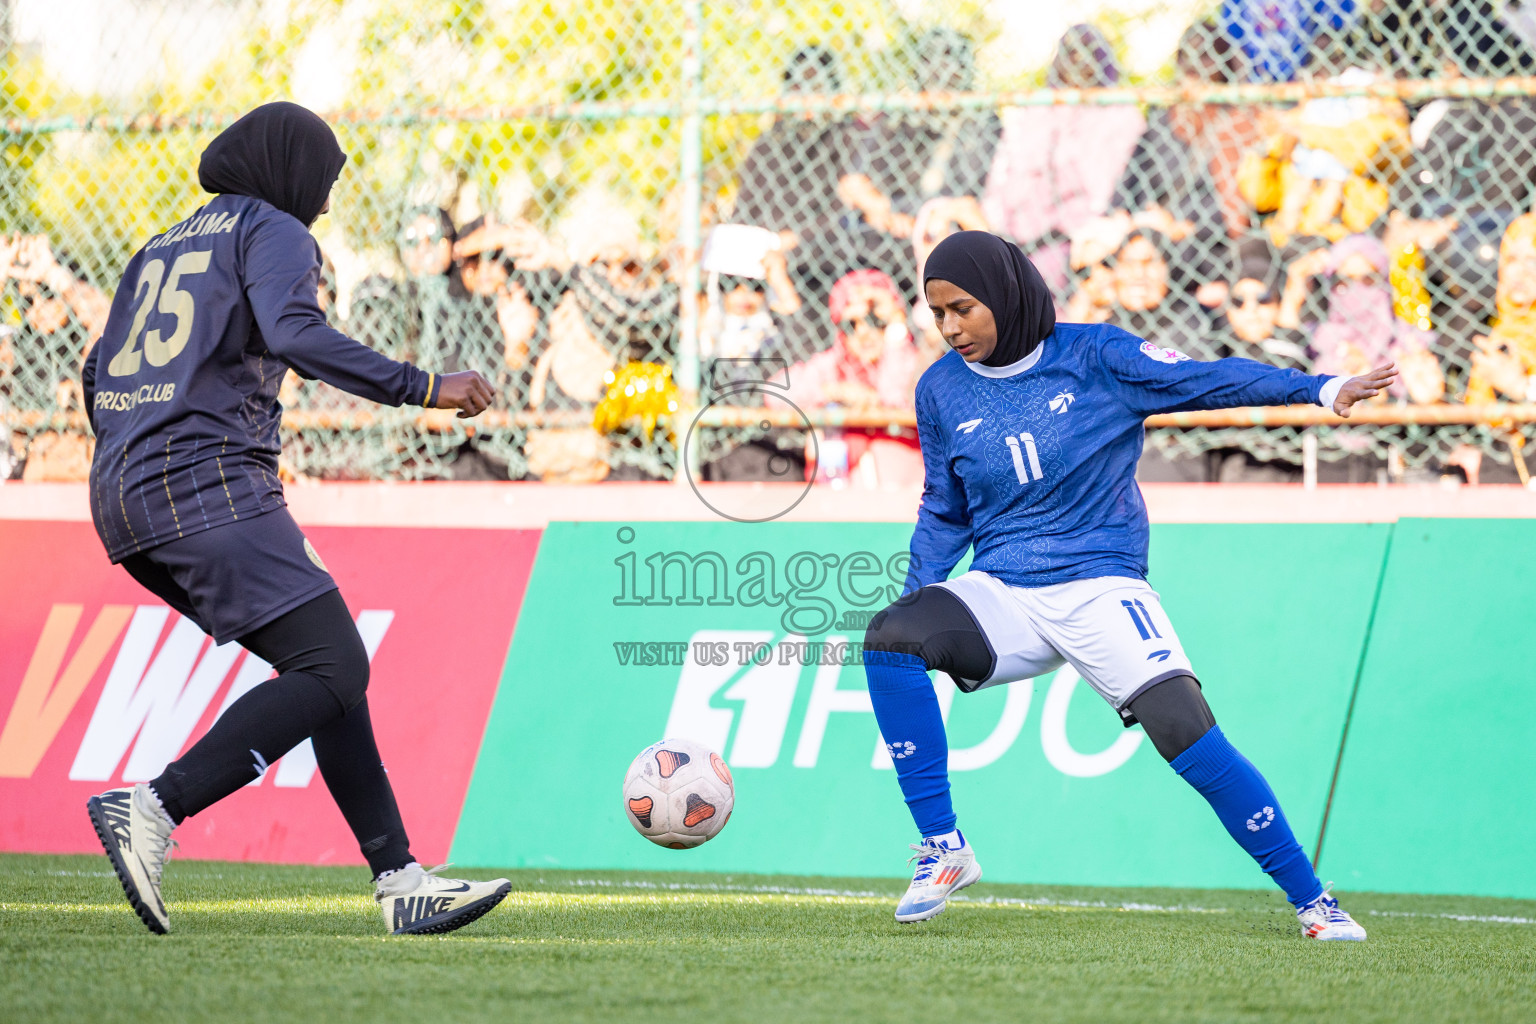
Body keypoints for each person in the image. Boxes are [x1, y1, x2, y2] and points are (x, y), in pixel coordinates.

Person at [861, 229, 1391, 940]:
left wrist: (1320, 388)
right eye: (937, 314)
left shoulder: (1097, 357)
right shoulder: (941, 389)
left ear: (1007, 293)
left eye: (963, 307)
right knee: (890, 639)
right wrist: (917, 593)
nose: (951, 327)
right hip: (1005, 594)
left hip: (1100, 588)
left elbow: (1209, 380)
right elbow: (943, 508)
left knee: (1187, 732)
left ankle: (1312, 900)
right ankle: (944, 848)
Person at [80, 102, 509, 937]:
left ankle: (401, 882)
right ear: (289, 167)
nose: (326, 199)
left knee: (327, 669)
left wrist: (138, 451)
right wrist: (425, 385)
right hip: (202, 480)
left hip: (123, 489)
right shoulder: (272, 227)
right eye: (326, 178)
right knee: (334, 665)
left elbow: (98, 371)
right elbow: (295, 332)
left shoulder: (158, 247)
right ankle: (155, 808)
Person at [981, 25, 1146, 295]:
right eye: (1072, 54)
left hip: (1083, 229)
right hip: (1019, 228)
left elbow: (1108, 190)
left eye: (1089, 55)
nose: (1080, 63)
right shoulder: (1034, 111)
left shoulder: (1121, 114)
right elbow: (1002, 179)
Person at [781, 269, 922, 488]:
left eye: (875, 320)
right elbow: (776, 394)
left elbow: (895, 395)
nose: (864, 332)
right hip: (839, 500)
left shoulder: (910, 360)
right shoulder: (834, 365)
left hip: (903, 500)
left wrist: (896, 329)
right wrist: (837, 391)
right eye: (852, 325)